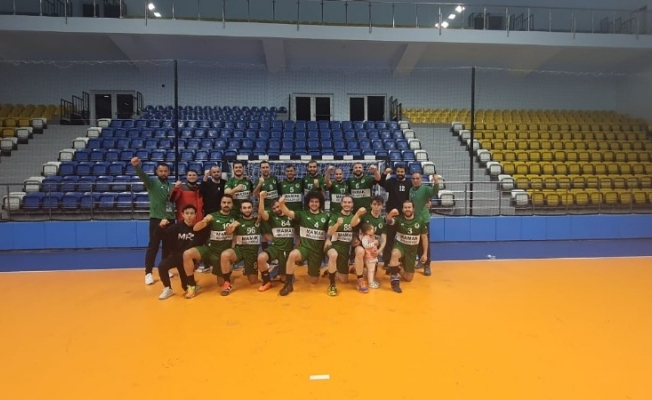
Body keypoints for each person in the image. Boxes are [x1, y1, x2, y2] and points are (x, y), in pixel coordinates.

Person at [181, 195, 236, 299]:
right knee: (187, 254)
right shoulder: (213, 216)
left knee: (220, 283)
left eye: (229, 203)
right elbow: (196, 229)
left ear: (232, 204)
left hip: (222, 254)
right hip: (209, 249)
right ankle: (191, 286)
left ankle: (228, 271)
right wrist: (205, 221)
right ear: (220, 204)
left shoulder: (235, 217)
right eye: (224, 202)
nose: (226, 205)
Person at [131, 156, 175, 285]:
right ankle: (148, 272)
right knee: (153, 246)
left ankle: (164, 268)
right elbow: (143, 176)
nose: (163, 173)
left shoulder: (171, 186)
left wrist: (170, 216)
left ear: (169, 172)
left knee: (168, 247)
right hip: (156, 219)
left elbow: (170, 203)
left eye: (165, 171)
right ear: (157, 172)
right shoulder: (152, 184)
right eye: (161, 171)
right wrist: (136, 166)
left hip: (170, 220)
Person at [277, 191, 329, 296]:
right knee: (292, 255)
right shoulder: (302, 214)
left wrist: (328, 238)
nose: (314, 204)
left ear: (320, 203)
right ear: (308, 203)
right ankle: (288, 284)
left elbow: (332, 229)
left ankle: (320, 270)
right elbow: (287, 212)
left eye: (316, 202)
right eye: (312, 201)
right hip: (304, 248)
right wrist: (281, 204)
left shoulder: (326, 216)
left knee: (314, 281)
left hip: (316, 251)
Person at [157, 205, 200, 300]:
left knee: (185, 287)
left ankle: (191, 284)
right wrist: (160, 227)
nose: (189, 216)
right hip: (176, 256)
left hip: (188, 260)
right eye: (187, 213)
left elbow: (200, 246)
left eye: (192, 213)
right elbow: (162, 236)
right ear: (182, 214)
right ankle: (167, 288)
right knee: (162, 266)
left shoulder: (197, 229)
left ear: (195, 215)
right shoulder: (176, 228)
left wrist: (197, 262)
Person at [325, 195, 366, 296]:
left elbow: (353, 224)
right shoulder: (335, 216)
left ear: (352, 204)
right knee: (333, 255)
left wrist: (358, 213)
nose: (347, 204)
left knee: (344, 280)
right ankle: (332, 284)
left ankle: (332, 270)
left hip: (345, 248)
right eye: (345, 202)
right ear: (341, 204)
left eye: (349, 202)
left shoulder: (355, 217)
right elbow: (330, 232)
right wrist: (337, 224)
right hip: (334, 246)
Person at [385, 200, 429, 294]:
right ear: (402, 209)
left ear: (413, 209)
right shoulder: (399, 219)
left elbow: (424, 238)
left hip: (411, 251)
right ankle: (395, 283)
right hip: (400, 246)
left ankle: (395, 268)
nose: (407, 209)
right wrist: (391, 213)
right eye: (405, 207)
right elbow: (388, 221)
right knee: (395, 253)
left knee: (408, 278)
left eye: (409, 207)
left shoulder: (420, 220)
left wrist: (425, 254)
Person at [218, 200, 261, 296]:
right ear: (241, 210)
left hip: (251, 253)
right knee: (225, 255)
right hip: (240, 250)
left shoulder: (257, 221)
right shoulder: (237, 221)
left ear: (252, 209)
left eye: (249, 207)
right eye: (244, 208)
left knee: (253, 281)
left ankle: (247, 269)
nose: (247, 210)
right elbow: (228, 232)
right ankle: (227, 283)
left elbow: (262, 214)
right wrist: (232, 226)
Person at [257, 190, 295, 291]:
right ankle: (266, 282)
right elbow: (261, 212)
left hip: (287, 250)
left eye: (278, 206)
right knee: (261, 258)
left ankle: (278, 270)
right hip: (275, 247)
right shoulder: (272, 216)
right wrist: (261, 198)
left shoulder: (291, 215)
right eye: (274, 208)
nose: (276, 209)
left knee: (284, 279)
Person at [379, 165, 411, 265]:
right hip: (391, 215)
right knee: (389, 239)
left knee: (403, 239)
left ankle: (402, 261)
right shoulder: (391, 182)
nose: (400, 173)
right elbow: (380, 182)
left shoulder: (409, 183)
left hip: (404, 216)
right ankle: (386, 261)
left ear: (405, 172)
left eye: (402, 172)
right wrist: (384, 173)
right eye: (398, 171)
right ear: (395, 172)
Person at [352, 195, 387, 288]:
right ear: (371, 205)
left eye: (378, 205)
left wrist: (379, 251)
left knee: (370, 274)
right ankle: (360, 279)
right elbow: (352, 224)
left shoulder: (382, 221)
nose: (376, 207)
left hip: (372, 250)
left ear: (382, 206)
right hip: (362, 245)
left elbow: (384, 239)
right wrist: (357, 214)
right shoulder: (365, 216)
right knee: (360, 251)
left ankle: (356, 268)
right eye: (374, 204)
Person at [409, 173, 440, 276]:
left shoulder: (425, 189)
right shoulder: (411, 190)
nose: (415, 180)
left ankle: (427, 265)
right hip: (414, 220)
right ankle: (421, 261)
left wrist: (436, 182)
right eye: (413, 179)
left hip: (424, 220)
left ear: (421, 179)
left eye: (417, 178)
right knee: (417, 243)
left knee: (425, 243)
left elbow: (434, 192)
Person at [359, 223, 380, 290]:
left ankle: (372, 281)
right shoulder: (365, 238)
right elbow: (366, 246)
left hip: (372, 256)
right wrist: (373, 243)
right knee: (371, 270)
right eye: (372, 229)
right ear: (367, 231)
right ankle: (370, 283)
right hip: (369, 257)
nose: (374, 230)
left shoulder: (371, 237)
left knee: (372, 270)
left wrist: (376, 243)